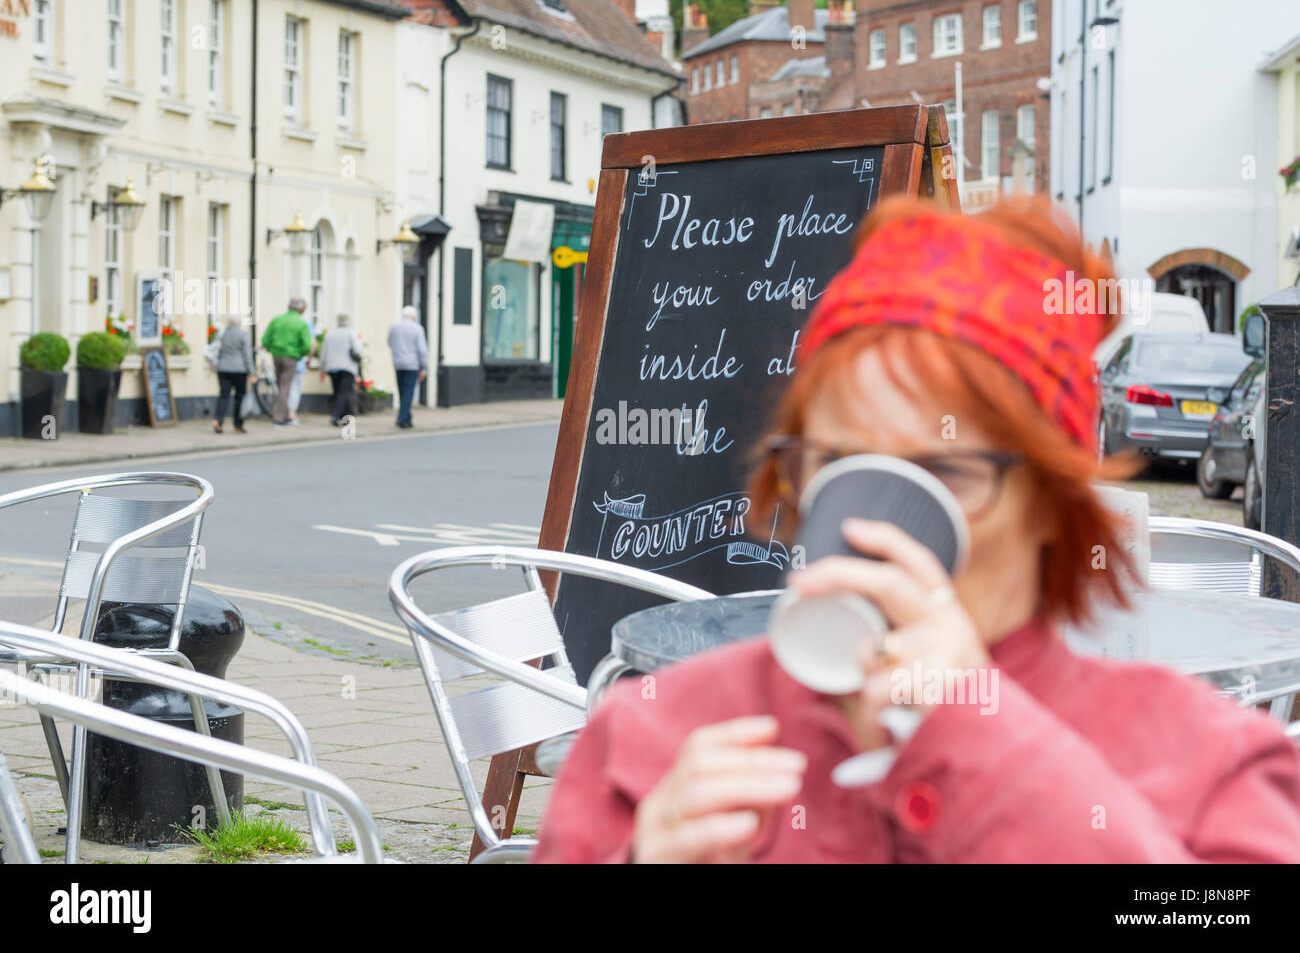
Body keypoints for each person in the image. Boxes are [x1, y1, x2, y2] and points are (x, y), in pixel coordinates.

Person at [532, 196, 1300, 864]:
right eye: (838, 464)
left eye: (946, 473)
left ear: (1049, 500)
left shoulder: (1202, 763)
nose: (872, 523)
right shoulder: (658, 744)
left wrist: (984, 745)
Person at [261, 298, 312, 427]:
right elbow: (307, 345)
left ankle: (282, 415)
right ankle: (280, 417)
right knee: (285, 387)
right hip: (291, 357)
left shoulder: (277, 320)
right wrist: (300, 354)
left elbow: (265, 340)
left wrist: (272, 349)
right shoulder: (301, 323)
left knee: (281, 385)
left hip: (277, 356)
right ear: (301, 309)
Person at [211, 313, 255, 434]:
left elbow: (215, 350)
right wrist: (252, 372)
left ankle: (218, 420)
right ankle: (238, 425)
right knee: (239, 397)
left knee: (223, 395)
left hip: (223, 368)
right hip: (239, 370)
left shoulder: (221, 333)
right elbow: (247, 355)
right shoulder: (243, 334)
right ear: (239, 322)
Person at [387, 305, 427, 429]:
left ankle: (407, 419)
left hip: (398, 363)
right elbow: (422, 350)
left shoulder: (394, 327)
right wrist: (424, 367)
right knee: (409, 392)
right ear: (413, 316)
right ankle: (401, 418)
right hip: (412, 364)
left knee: (402, 391)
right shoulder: (417, 328)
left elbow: (389, 342)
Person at [319, 313, 363, 425]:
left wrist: (322, 368)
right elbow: (358, 349)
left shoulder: (330, 335)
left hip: (332, 368)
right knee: (344, 393)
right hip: (347, 367)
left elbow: (323, 353)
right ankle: (335, 416)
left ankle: (343, 417)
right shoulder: (350, 333)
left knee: (337, 392)